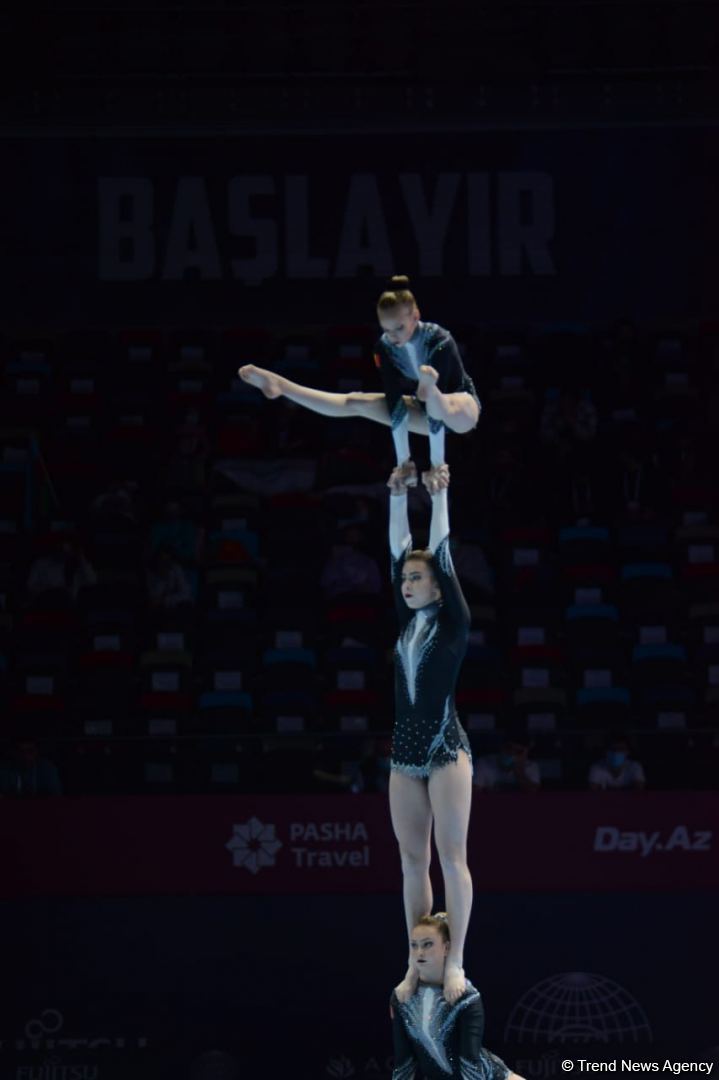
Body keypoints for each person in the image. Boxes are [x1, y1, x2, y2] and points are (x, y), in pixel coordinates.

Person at [238, 276, 480, 477]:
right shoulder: (385, 347)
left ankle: (429, 388)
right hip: (423, 408)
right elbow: (395, 404)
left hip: (459, 407)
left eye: (399, 328)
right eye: (386, 330)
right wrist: (403, 461)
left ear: (415, 317)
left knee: (438, 401)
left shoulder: (440, 341)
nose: (393, 336)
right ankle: (282, 386)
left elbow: (439, 414)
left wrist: (437, 464)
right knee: (356, 401)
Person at [387, 462, 472, 1006]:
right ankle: (417, 961)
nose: (408, 583)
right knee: (411, 861)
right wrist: (396, 495)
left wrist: (437, 496)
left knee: (451, 856)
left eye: (417, 579)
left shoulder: (453, 618)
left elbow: (434, 552)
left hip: (445, 749)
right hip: (404, 752)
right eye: (405, 581)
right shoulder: (407, 619)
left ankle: (457, 957)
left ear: (438, 586)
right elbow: (399, 551)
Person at [390, 913, 522, 1080]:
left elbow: (470, 1063)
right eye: (414, 945)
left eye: (427, 944)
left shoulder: (466, 996)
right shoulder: (402, 997)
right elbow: (404, 1063)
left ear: (446, 948)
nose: (419, 952)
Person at [473, 735, 541, 794]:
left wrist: (519, 772)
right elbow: (474, 794)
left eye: (518, 752)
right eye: (508, 748)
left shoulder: (532, 767)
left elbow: (533, 794)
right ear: (501, 747)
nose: (512, 754)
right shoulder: (483, 763)